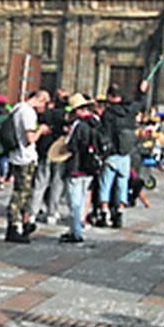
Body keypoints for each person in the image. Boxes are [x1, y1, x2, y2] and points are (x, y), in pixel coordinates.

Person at [4, 88, 50, 243]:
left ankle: (24, 223)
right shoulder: (28, 112)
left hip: (17, 156)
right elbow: (30, 138)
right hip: (25, 157)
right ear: (40, 99)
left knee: (25, 193)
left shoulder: (17, 108)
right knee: (21, 194)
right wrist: (41, 131)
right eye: (45, 103)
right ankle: (14, 227)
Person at [58, 93, 102, 244]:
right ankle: (76, 228)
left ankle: (76, 232)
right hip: (90, 167)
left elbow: (71, 146)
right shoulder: (95, 122)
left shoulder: (78, 125)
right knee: (82, 200)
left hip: (76, 166)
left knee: (74, 202)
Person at [95, 84, 137, 228]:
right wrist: (141, 92)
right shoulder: (129, 111)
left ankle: (105, 212)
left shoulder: (108, 113)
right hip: (125, 154)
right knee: (122, 185)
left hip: (112, 154)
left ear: (111, 97)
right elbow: (139, 103)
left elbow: (104, 133)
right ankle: (119, 212)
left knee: (105, 184)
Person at [29, 92, 68, 223]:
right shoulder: (66, 117)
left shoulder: (44, 115)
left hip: (45, 151)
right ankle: (52, 212)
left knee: (40, 183)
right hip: (60, 152)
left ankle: (32, 212)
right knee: (57, 183)